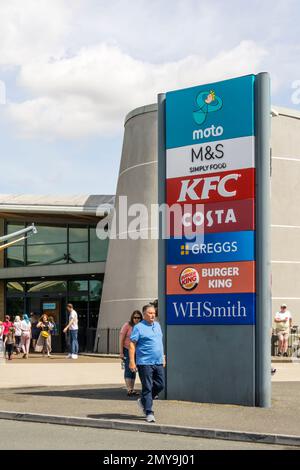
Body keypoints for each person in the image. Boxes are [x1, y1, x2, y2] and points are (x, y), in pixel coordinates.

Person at [129, 304, 166, 423]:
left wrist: (163, 357)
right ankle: (149, 412)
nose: (152, 315)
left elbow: (159, 343)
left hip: (158, 361)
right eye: (150, 313)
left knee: (160, 385)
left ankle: (143, 401)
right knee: (147, 387)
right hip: (144, 362)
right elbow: (132, 345)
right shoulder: (138, 327)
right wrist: (131, 361)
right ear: (144, 315)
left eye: (154, 313)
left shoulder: (158, 326)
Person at [119, 310, 142, 397]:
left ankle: (132, 388)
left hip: (137, 350)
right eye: (135, 317)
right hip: (127, 349)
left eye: (139, 318)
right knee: (129, 369)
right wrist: (121, 352)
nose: (137, 319)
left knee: (134, 370)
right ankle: (129, 389)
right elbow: (121, 339)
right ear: (132, 318)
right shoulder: (127, 325)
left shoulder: (141, 326)